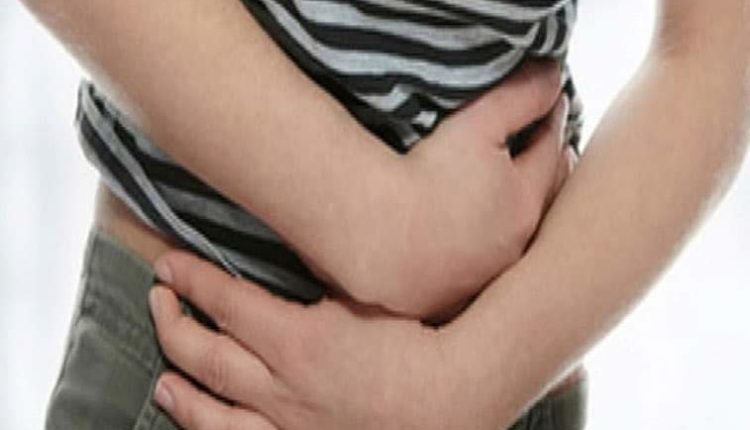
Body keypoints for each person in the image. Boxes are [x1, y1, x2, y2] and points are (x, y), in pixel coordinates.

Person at [22, 0, 749, 429]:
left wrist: (464, 383)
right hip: (209, 361)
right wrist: (370, 215)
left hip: (503, 381)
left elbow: (717, 48)